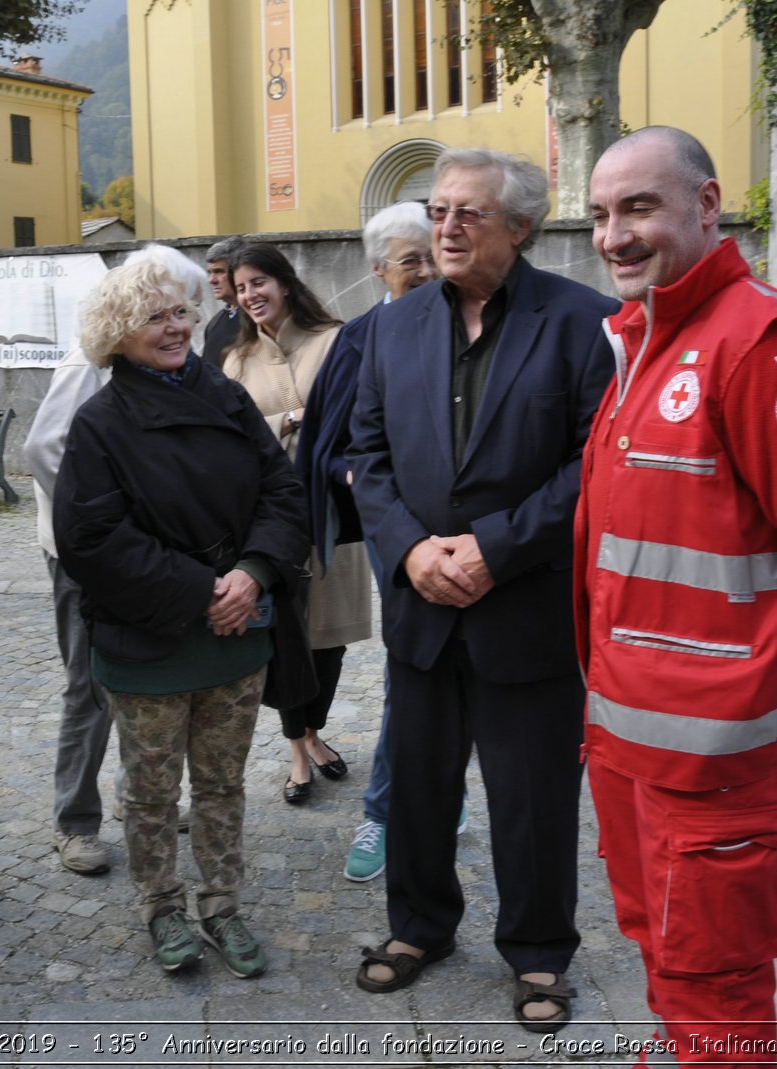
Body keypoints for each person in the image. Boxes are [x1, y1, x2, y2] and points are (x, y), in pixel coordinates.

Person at [577, 126, 777, 1063]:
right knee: (664, 948)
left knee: (717, 980)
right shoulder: (646, 341)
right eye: (600, 214)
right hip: (629, 742)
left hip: (709, 757)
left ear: (706, 207)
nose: (614, 235)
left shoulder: (757, 344)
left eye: (639, 207)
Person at [346, 148, 618, 1031]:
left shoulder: (587, 322)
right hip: (422, 604)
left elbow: (595, 466)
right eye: (438, 211)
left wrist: (495, 547)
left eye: (469, 213)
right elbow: (367, 454)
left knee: (533, 793)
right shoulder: (391, 325)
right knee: (420, 783)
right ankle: (420, 926)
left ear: (522, 226)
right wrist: (412, 549)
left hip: (528, 604)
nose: (448, 227)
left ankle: (539, 952)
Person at [54, 260, 310, 978]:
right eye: (153, 316)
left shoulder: (224, 396)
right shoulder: (100, 423)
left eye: (180, 312)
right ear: (117, 334)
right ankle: (162, 904)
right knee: (151, 790)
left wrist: (252, 573)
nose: (173, 327)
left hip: (236, 636)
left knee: (223, 784)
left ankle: (222, 903)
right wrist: (204, 588)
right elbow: (91, 540)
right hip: (152, 642)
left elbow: (283, 494)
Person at [26, 244, 206, 876]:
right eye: (163, 308)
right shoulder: (89, 362)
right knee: (91, 687)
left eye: (183, 309)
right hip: (84, 555)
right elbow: (44, 448)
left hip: (142, 557)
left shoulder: (177, 366)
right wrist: (97, 520)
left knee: (150, 676)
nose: (178, 323)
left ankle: (148, 796)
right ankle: (74, 821)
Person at [281, 201, 443, 876]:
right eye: (412, 260)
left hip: (479, 534)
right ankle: (383, 813)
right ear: (379, 270)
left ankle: (438, 793)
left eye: (434, 255)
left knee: (461, 676)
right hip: (397, 532)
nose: (428, 270)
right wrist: (378, 485)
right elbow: (328, 448)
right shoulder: (364, 337)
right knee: (412, 669)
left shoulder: (478, 322)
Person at [223, 242, 371, 805]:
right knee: (288, 638)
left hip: (335, 511)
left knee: (330, 638)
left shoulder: (336, 341)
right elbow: (234, 437)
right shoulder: (236, 361)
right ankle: (295, 751)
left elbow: (359, 415)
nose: (250, 294)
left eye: (259, 281)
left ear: (284, 282)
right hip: (273, 518)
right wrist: (290, 419)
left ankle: (313, 732)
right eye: (241, 288)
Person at [201, 237, 247, 362]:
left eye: (219, 271)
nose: (212, 280)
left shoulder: (257, 321)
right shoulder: (214, 323)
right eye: (210, 272)